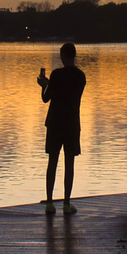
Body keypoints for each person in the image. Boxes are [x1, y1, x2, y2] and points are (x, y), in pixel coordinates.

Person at [37, 42, 86, 214]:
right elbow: (71, 96)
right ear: (74, 56)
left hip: (55, 123)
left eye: (60, 54)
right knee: (69, 163)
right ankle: (66, 203)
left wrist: (45, 86)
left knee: (52, 162)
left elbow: (46, 98)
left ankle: (50, 203)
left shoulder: (56, 75)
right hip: (72, 124)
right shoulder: (81, 77)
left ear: (65, 56)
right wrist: (51, 85)